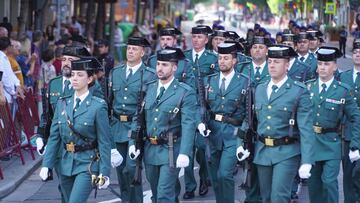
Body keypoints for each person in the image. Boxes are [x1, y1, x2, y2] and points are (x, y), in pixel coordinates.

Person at [239, 45, 314, 203]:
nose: (272, 65)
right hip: (262, 152)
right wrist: (241, 143)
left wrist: (307, 161)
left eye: (277, 62)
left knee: (279, 197)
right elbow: (250, 119)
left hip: (287, 152)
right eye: (270, 61)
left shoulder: (299, 91)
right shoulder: (259, 89)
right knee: (265, 198)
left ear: (287, 65)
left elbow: (306, 129)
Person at [39, 57, 118, 203]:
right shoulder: (63, 104)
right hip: (65, 162)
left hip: (87, 164)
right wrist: (46, 164)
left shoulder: (98, 106)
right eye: (73, 74)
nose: (74, 78)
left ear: (89, 80)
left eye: (80, 75)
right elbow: (54, 137)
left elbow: (104, 141)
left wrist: (105, 172)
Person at [128, 47, 197, 202]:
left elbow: (188, 125)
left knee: (163, 194)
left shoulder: (184, 92)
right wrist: (133, 142)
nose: (160, 68)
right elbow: (138, 118)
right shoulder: (148, 88)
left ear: (174, 68)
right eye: (158, 64)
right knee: (156, 192)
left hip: (171, 150)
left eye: (165, 65)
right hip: (150, 149)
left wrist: (185, 152)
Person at [307, 46, 360, 203]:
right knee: (313, 186)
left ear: (335, 67)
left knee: (329, 182)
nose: (323, 68)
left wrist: (355, 144)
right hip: (311, 144)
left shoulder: (343, 90)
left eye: (327, 64)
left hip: (332, 144)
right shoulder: (307, 87)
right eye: (320, 64)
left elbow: (356, 117)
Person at [198, 42, 247, 202]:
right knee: (215, 177)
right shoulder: (208, 81)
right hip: (212, 133)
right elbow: (201, 106)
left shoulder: (244, 82)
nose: (222, 61)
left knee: (224, 174)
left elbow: (248, 113)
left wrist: (243, 135)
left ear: (234, 61)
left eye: (226, 58)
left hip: (233, 133)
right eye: (220, 58)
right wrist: (201, 122)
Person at [109, 37, 157, 203]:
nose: (130, 51)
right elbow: (109, 102)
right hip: (117, 127)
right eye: (128, 48)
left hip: (137, 128)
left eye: (134, 49)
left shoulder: (150, 75)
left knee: (132, 168)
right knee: (121, 171)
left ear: (142, 53)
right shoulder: (115, 73)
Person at [183, 25, 218, 199]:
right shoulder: (184, 57)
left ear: (206, 39)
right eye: (194, 36)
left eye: (200, 37)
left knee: (202, 148)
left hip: (205, 108)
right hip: (187, 108)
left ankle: (204, 177)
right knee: (186, 148)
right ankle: (189, 186)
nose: (196, 40)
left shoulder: (213, 58)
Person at [339, 38, 360, 203]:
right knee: (348, 171)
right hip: (347, 131)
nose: (358, 55)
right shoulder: (343, 76)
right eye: (355, 52)